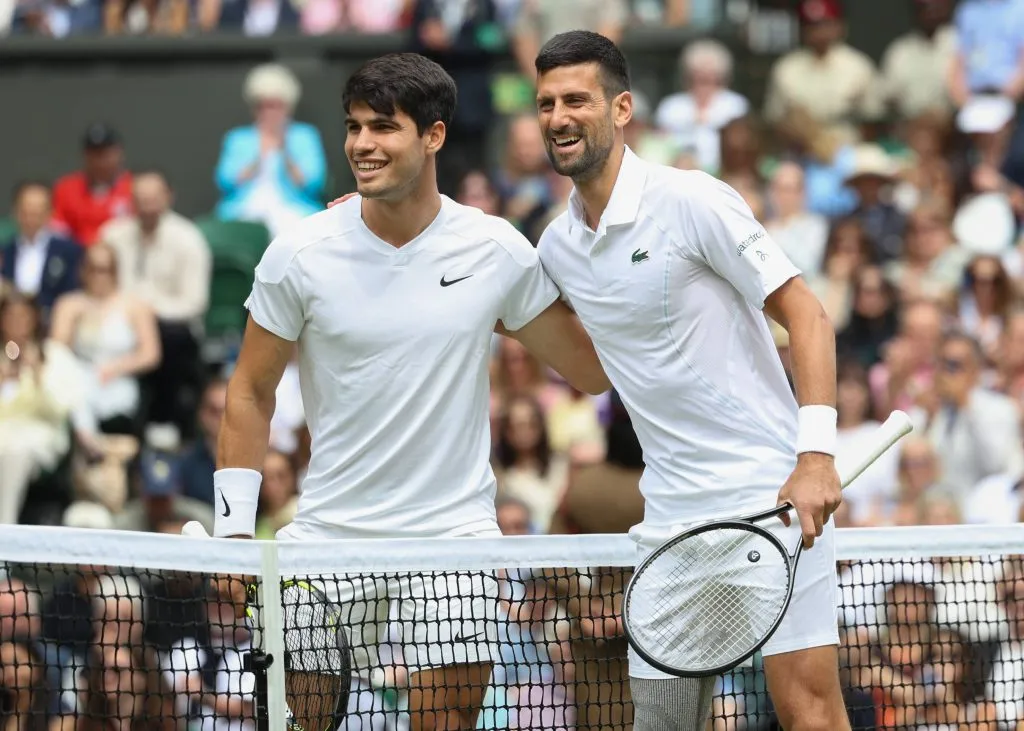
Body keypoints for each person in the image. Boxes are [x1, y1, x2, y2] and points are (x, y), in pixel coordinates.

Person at [194, 52, 608, 731]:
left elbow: (590, 371)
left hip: (454, 540)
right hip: (326, 535)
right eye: (354, 126)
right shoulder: (299, 253)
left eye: (384, 127)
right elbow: (248, 392)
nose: (362, 144)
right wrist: (235, 527)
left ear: (434, 135)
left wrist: (599, 253)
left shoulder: (493, 250)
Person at [529, 31, 847, 731]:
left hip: (769, 502)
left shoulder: (693, 200)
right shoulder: (557, 244)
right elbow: (587, 368)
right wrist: (376, 224)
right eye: (546, 103)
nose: (558, 117)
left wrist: (816, 456)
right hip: (670, 522)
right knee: (662, 724)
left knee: (809, 709)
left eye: (576, 99)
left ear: (621, 110)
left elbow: (808, 313)